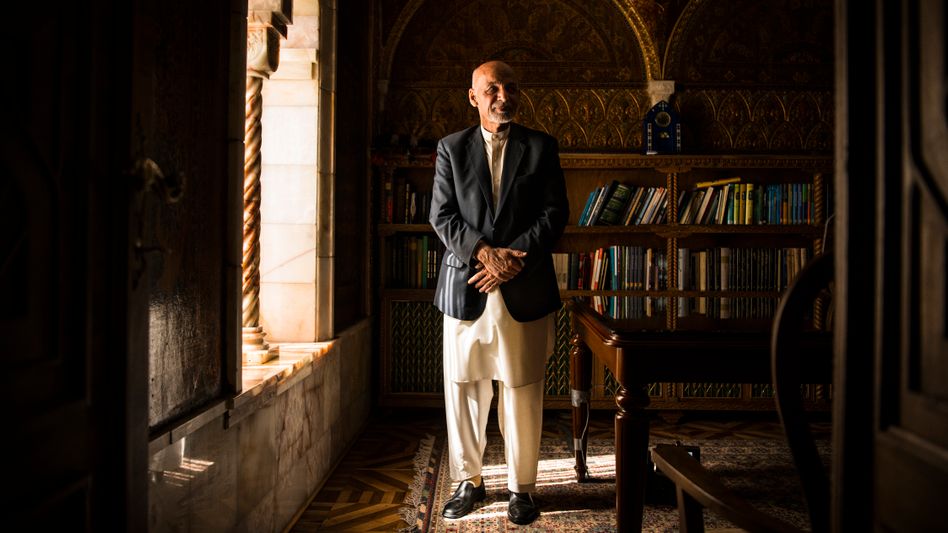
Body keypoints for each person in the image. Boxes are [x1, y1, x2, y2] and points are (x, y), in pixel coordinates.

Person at [428, 60, 569, 526]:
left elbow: (554, 214)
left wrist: (511, 259)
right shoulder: (450, 148)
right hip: (466, 284)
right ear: (473, 97)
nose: (502, 95)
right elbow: (442, 216)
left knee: (522, 390)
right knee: (465, 390)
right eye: (492, 88)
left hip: (523, 286)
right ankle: (469, 482)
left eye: (510, 87)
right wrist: (485, 254)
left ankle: (520, 489)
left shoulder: (541, 147)